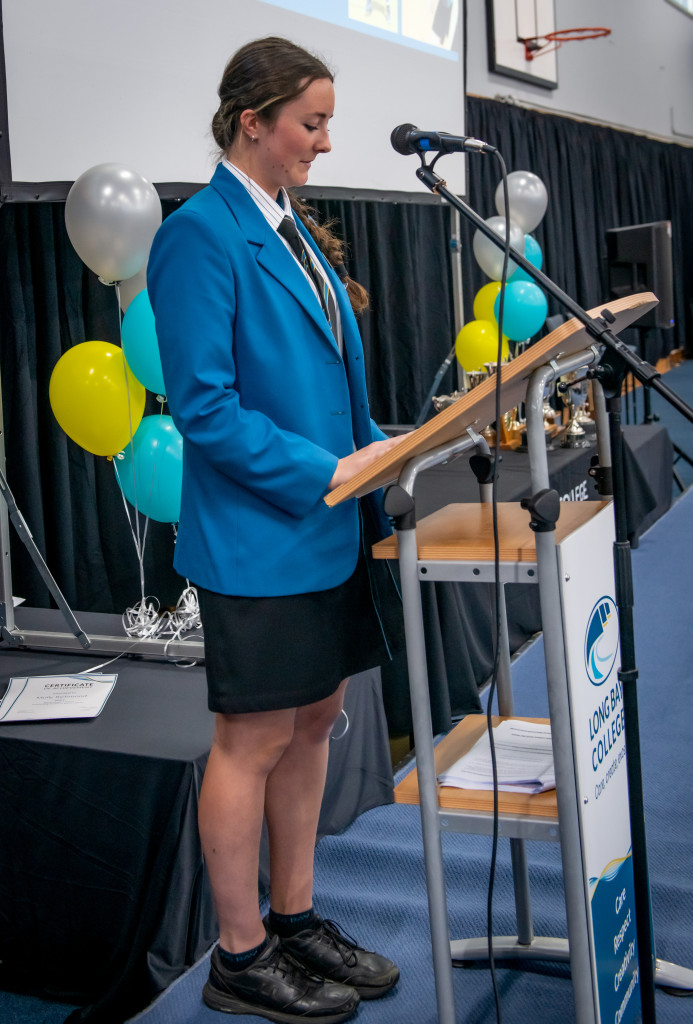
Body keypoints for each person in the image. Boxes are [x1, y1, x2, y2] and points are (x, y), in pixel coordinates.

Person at [147, 35, 404, 1024]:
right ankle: (240, 953)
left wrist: (383, 447)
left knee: (312, 723)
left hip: (327, 527)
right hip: (260, 537)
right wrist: (325, 470)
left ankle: (293, 918)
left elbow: (325, 389)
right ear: (252, 121)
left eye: (327, 122)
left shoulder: (291, 227)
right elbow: (205, 408)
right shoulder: (199, 235)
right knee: (250, 740)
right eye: (311, 122)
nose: (324, 142)